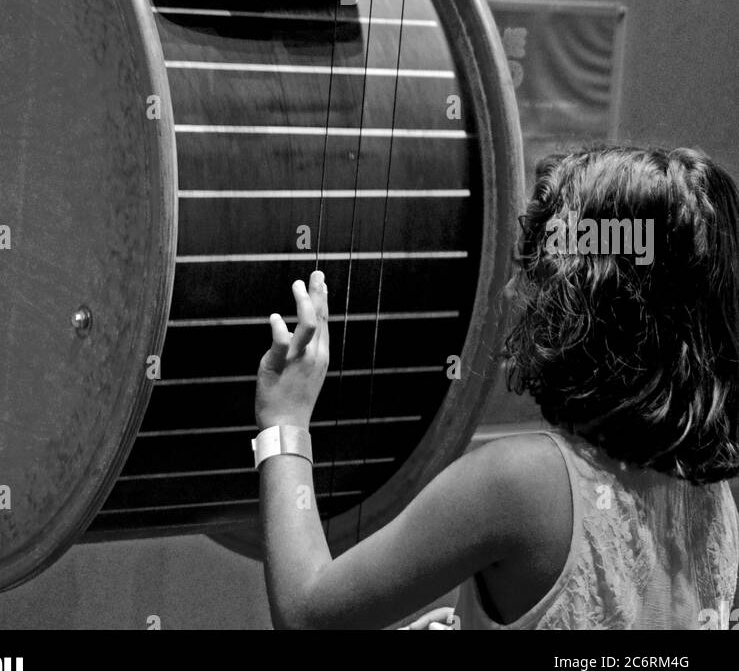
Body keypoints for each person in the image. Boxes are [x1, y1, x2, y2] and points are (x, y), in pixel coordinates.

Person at [253, 146, 739, 630]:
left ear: (589, 300)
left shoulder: (521, 482)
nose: (510, 292)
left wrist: (285, 419)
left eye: (533, 266)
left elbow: (305, 614)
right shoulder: (712, 497)